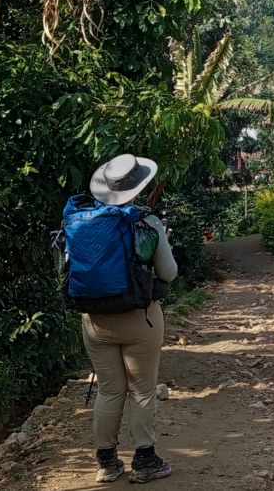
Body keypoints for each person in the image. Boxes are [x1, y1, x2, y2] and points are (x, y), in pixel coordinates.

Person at [83, 154, 178, 484]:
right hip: (140, 319)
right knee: (142, 390)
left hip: (95, 322)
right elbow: (168, 272)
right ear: (138, 187)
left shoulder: (82, 220)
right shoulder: (145, 222)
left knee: (109, 391)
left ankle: (107, 463)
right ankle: (145, 461)